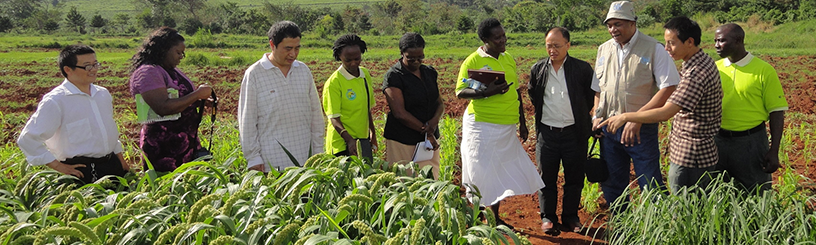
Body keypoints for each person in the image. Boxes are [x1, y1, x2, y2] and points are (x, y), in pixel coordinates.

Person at [600, 17, 723, 194]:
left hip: (691, 154)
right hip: (693, 149)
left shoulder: (696, 73)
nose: (667, 48)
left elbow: (666, 113)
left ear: (689, 42)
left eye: (671, 43)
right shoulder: (701, 62)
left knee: (684, 206)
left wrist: (626, 116)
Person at [456, 18, 545, 229]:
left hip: (505, 126)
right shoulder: (473, 61)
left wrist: (522, 123)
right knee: (482, 172)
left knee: (497, 171)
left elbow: (516, 92)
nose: (503, 40)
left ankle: (493, 218)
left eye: (503, 35)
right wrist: (488, 92)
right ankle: (480, 217)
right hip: (481, 125)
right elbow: (461, 91)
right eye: (497, 38)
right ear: (485, 40)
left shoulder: (508, 59)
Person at [592, 1, 680, 209]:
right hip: (609, 129)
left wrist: (636, 119)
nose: (613, 29)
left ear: (633, 23)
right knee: (612, 183)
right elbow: (598, 89)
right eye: (610, 24)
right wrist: (596, 116)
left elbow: (668, 88)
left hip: (640, 130)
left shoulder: (654, 48)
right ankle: (621, 228)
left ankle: (657, 230)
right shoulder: (603, 50)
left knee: (650, 182)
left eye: (619, 24)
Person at [17, 44, 130, 184]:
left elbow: (108, 131)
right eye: (87, 66)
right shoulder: (56, 100)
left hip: (111, 165)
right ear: (68, 69)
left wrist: (121, 161)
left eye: (96, 64)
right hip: (80, 171)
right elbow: (28, 139)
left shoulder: (102, 94)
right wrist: (58, 166)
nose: (93, 70)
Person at [528, 27, 599, 234]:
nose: (552, 50)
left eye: (557, 46)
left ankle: (570, 217)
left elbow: (590, 96)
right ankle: (548, 217)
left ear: (568, 45)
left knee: (574, 178)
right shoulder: (538, 69)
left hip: (574, 133)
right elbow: (534, 94)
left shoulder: (582, 69)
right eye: (549, 46)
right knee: (545, 178)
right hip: (547, 134)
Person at [238, 21, 325, 173]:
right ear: (272, 45)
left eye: (297, 48)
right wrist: (253, 158)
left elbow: (315, 115)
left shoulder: (303, 71)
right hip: (271, 163)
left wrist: (318, 152)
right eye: (288, 48)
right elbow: (247, 120)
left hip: (306, 160)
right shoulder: (255, 74)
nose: (293, 54)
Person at [713, 23, 788, 193]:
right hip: (717, 141)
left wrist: (774, 150)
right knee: (718, 193)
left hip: (751, 143)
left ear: (739, 40)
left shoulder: (763, 71)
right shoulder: (714, 69)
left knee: (756, 192)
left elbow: (776, 112)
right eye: (715, 41)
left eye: (722, 41)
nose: (716, 45)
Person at [129, 27, 213, 172]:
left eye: (183, 53)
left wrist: (197, 101)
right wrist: (197, 94)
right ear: (163, 50)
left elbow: (178, 99)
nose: (181, 56)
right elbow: (162, 107)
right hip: (163, 146)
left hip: (185, 142)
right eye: (178, 52)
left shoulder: (169, 70)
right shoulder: (148, 72)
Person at [382, 32, 445, 179]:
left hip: (428, 141)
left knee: (430, 179)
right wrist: (426, 131)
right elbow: (399, 113)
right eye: (411, 58)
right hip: (403, 139)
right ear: (402, 53)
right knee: (405, 179)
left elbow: (439, 103)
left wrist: (434, 122)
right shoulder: (394, 76)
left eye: (420, 57)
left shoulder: (429, 72)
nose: (416, 61)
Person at [323, 34, 377, 159]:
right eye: (348, 60)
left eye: (357, 59)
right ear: (339, 57)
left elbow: (367, 109)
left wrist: (372, 132)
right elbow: (334, 118)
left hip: (361, 140)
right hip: (342, 142)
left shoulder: (365, 75)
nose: (353, 63)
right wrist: (349, 140)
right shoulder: (334, 83)